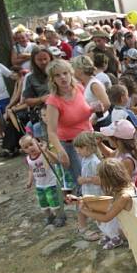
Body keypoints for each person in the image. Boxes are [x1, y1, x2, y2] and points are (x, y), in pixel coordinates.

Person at [45, 59, 93, 195]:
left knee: (96, 176)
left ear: (71, 73)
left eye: (65, 73)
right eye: (58, 75)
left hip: (89, 138)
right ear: (52, 79)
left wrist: (93, 110)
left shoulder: (79, 88)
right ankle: (85, 212)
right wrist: (61, 151)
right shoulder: (53, 101)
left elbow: (85, 112)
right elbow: (51, 132)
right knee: (82, 182)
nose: (63, 78)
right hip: (71, 145)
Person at [20, 135, 65, 227]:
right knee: (43, 202)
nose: (30, 148)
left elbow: (56, 160)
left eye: (31, 144)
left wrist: (46, 151)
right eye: (26, 147)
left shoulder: (43, 154)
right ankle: (49, 216)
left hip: (51, 183)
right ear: (24, 150)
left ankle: (60, 216)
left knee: (53, 201)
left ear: (37, 143)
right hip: (40, 185)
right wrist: (29, 182)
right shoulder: (28, 159)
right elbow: (31, 170)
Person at [21, 46, 54, 138]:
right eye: (39, 60)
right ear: (34, 61)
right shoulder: (30, 78)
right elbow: (27, 101)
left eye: (45, 59)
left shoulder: (58, 72)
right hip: (46, 115)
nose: (43, 62)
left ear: (50, 58)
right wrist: (41, 99)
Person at [71, 55, 110, 127]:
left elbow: (106, 103)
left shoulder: (94, 84)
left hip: (100, 122)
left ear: (79, 69)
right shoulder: (81, 83)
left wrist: (95, 118)